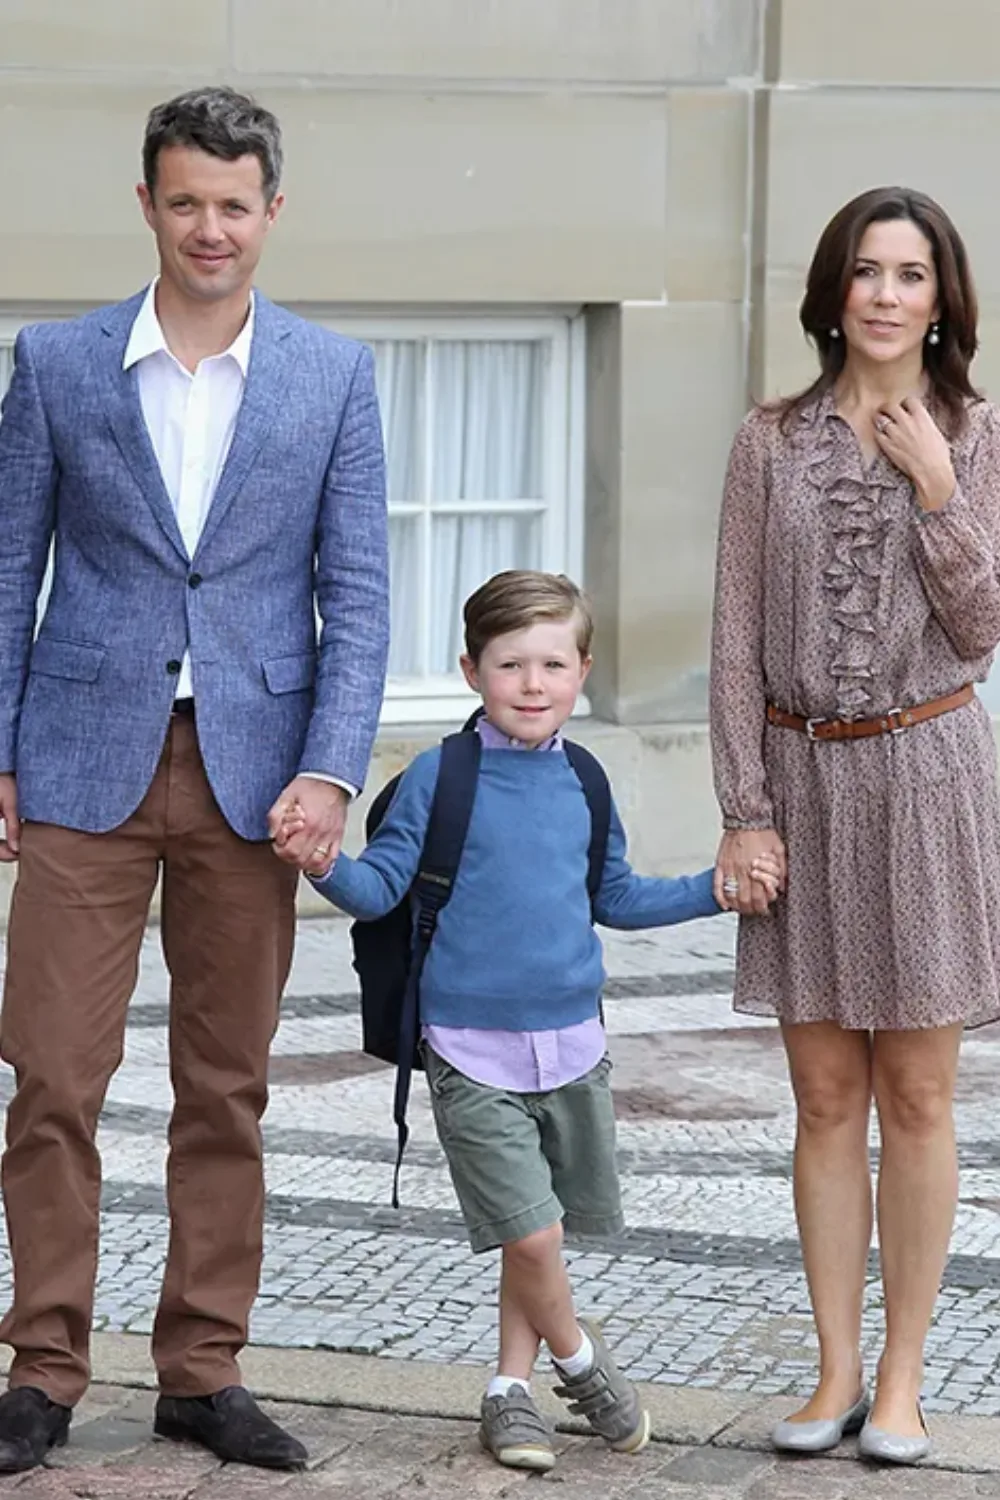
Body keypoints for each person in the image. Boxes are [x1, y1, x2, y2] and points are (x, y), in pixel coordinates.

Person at [0, 87, 389, 1474]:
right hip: (78, 766)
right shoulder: (55, 365)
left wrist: (334, 769)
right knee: (52, 1074)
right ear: (147, 203)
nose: (209, 228)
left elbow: (359, 591)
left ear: (270, 211)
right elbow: (7, 570)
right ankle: (42, 1367)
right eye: (185, 202)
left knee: (225, 1086)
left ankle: (200, 1371)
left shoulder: (332, 378)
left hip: (254, 775)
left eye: (234, 204)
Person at [289, 570, 780, 1475]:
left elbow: (615, 897)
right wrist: (323, 864)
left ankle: (508, 1396)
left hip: (573, 1047)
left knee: (539, 1226)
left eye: (552, 663)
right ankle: (585, 1368)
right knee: (534, 1232)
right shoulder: (440, 776)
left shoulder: (586, 779)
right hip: (467, 1050)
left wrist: (715, 893)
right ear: (471, 669)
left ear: (582, 672)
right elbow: (380, 890)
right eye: (510, 663)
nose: (532, 682)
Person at [711, 186, 1000, 1467]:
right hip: (802, 785)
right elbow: (727, 642)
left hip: (928, 781)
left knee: (919, 1095)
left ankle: (902, 1384)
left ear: (943, 301)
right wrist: (742, 811)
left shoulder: (980, 436)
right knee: (825, 1097)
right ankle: (830, 1372)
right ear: (833, 294)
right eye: (865, 272)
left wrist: (937, 488)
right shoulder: (765, 441)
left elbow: (984, 630)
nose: (886, 294)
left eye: (911, 274)